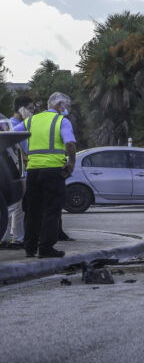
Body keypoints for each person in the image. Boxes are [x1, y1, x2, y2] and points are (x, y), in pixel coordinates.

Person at [22, 92, 77, 259]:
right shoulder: (62, 121)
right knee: (52, 210)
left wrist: (23, 155)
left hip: (32, 171)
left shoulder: (31, 120)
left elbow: (9, 132)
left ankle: (30, 248)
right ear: (59, 105)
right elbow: (69, 143)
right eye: (67, 106)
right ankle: (46, 248)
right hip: (53, 171)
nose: (68, 109)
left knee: (33, 210)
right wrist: (72, 162)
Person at [2, 95, 32, 248]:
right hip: (17, 171)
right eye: (30, 108)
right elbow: (18, 153)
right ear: (22, 109)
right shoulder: (13, 126)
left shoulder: (16, 124)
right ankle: (9, 238)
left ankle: (15, 238)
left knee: (17, 209)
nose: (32, 112)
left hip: (18, 172)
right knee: (14, 208)